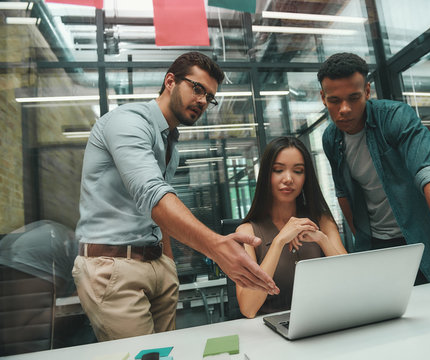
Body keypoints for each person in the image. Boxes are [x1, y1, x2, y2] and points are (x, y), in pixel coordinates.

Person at [72, 52, 278, 341]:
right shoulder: (128, 122)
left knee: (167, 354)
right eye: (197, 88)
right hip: (113, 267)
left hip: (156, 265)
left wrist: (167, 265)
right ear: (170, 81)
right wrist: (216, 247)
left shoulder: (171, 143)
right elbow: (152, 195)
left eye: (210, 97)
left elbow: (158, 212)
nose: (204, 101)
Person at [318, 52, 430, 305]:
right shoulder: (331, 139)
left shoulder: (396, 117)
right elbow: (344, 194)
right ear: (323, 97)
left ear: (367, 91)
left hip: (421, 242)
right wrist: (364, 242)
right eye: (334, 100)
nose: (344, 109)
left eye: (354, 98)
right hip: (377, 251)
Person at [236, 137, 347, 318]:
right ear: (266, 176)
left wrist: (322, 239)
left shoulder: (322, 221)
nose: (288, 179)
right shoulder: (247, 232)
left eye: (298, 171)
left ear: (306, 177)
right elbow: (248, 309)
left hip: (324, 323)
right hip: (270, 334)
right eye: (278, 170)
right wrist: (279, 242)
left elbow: (351, 281)